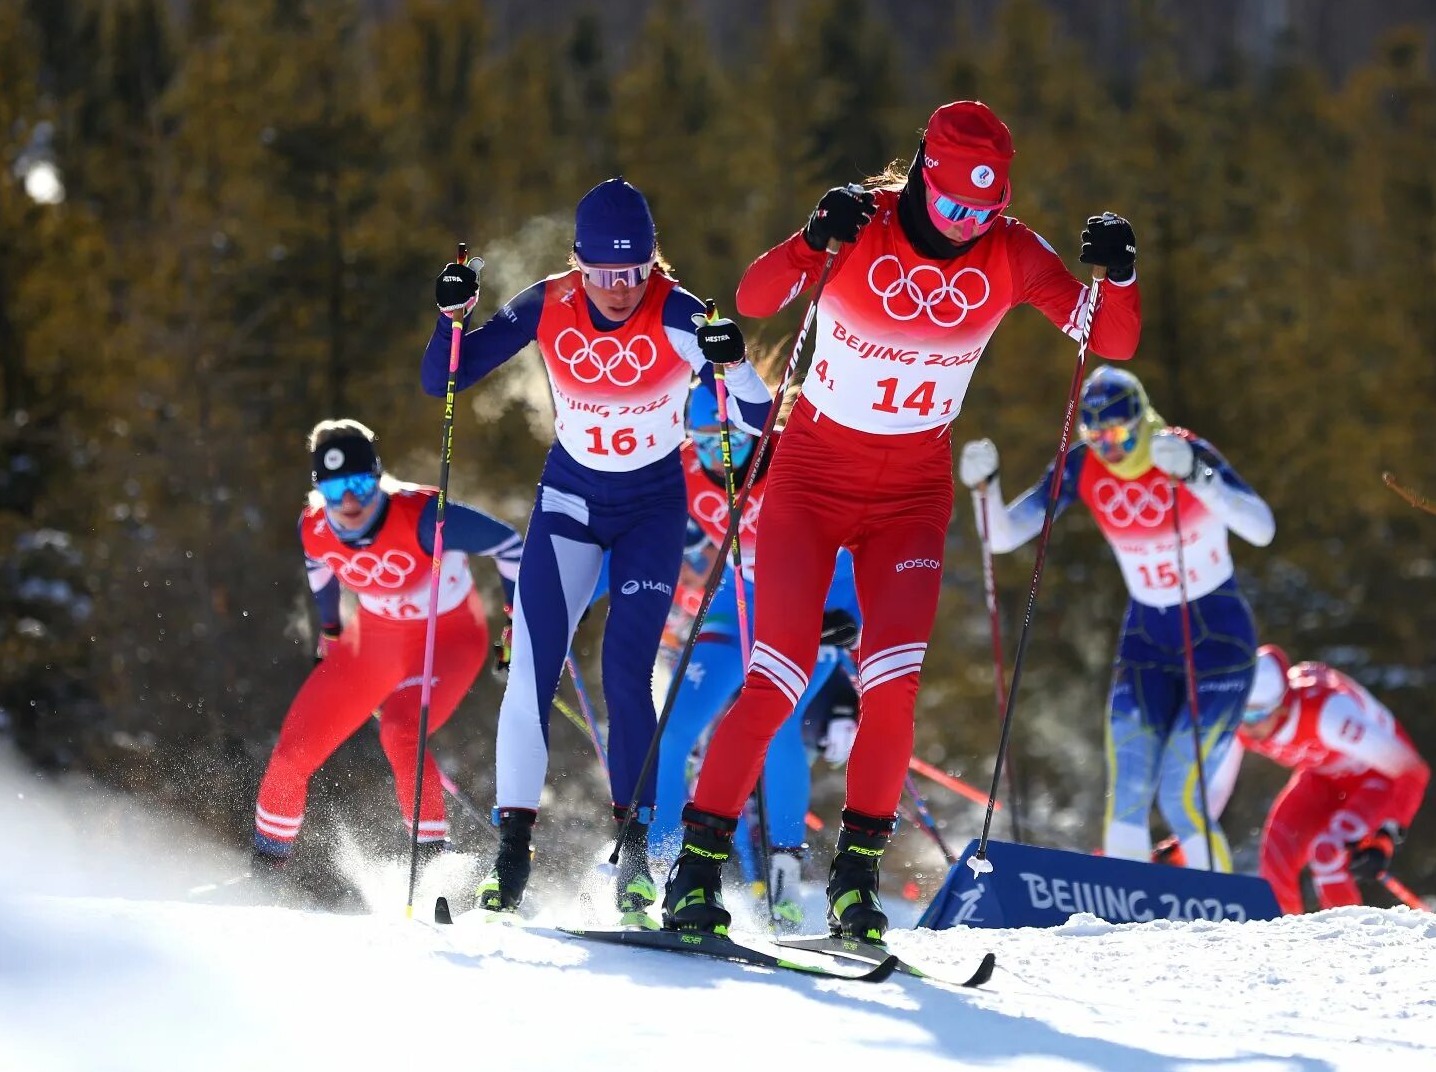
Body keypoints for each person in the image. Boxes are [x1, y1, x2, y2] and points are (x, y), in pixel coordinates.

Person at [660, 98, 1142, 941]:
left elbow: (1112, 339)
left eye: (983, 212)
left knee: (892, 689)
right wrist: (812, 238)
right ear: (922, 175)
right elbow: (755, 294)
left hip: (913, 493)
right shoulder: (863, 224)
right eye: (953, 205)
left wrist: (1122, 275)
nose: (964, 226)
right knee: (776, 677)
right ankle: (696, 872)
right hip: (811, 477)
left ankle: (854, 882)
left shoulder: (1013, 251)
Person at [424, 178, 771, 924]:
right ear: (579, 264)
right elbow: (442, 377)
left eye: (635, 271)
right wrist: (452, 317)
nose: (620, 288)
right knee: (531, 674)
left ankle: (636, 860)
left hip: (650, 513)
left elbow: (757, 418)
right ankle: (510, 859)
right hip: (571, 506)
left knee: (625, 673)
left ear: (653, 264)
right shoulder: (549, 302)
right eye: (605, 272)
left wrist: (734, 362)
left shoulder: (680, 313)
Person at [959, 366, 1272, 870]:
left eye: (1120, 434)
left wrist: (1197, 475)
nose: (1109, 447)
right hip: (1147, 635)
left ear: (1141, 420)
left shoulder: (1180, 449)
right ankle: (1127, 928)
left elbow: (1261, 528)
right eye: (1095, 435)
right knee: (1126, 790)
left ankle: (1220, 913)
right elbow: (1003, 535)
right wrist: (985, 490)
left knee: (1180, 795)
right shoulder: (1083, 465)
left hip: (1217, 636)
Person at [252, 419, 520, 877]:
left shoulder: (423, 518)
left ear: (377, 478)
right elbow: (320, 567)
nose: (350, 501)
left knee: (400, 731)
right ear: (319, 492)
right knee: (293, 752)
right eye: (335, 491)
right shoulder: (314, 527)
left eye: (359, 485)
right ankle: (264, 871)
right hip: (374, 640)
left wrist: (518, 619)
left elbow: (510, 545)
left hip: (448, 640)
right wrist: (332, 628)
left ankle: (435, 870)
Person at [648, 381, 863, 932]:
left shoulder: (794, 457)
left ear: (752, 432)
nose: (708, 453)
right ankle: (657, 867)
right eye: (695, 439)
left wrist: (843, 617)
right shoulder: (685, 470)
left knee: (778, 726)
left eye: (722, 439)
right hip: (736, 600)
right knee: (674, 729)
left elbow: (846, 541)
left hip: (802, 603)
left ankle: (783, 880)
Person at [1235, 645, 1431, 914]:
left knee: (1326, 853)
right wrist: (1186, 837)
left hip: (1376, 776)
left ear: (1281, 706)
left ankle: (1351, 947)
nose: (1247, 726)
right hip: (1323, 776)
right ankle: (1284, 948)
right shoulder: (1240, 724)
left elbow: (1413, 771)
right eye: (1240, 714)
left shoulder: (1329, 715)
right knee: (1274, 858)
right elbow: (1211, 783)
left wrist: (1386, 835)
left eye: (1256, 715)